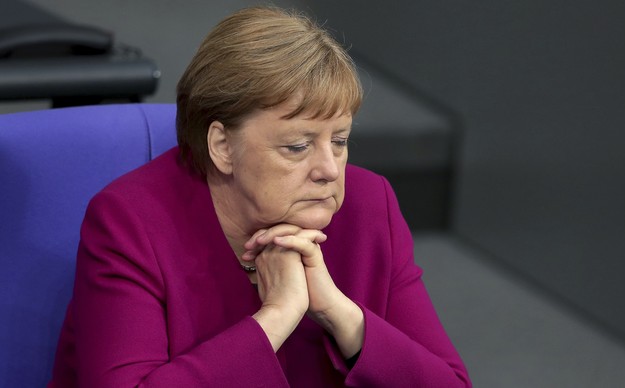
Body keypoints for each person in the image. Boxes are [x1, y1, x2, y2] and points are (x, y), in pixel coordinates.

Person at [48, 6, 470, 387]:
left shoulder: (369, 205)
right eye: (298, 147)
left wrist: (341, 315)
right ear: (222, 147)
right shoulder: (129, 223)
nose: (328, 170)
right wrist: (276, 317)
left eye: (339, 141)